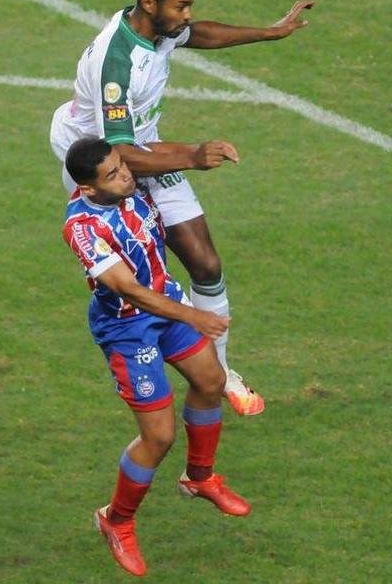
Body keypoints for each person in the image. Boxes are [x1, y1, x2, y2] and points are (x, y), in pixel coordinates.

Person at [50, 0, 313, 416]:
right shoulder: (118, 64)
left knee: (205, 262)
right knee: (135, 275)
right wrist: (191, 156)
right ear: (149, 4)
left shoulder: (159, 28)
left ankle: (220, 372)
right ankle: (142, 358)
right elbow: (120, 155)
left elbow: (200, 33)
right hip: (99, 159)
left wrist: (270, 32)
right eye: (181, 7)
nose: (187, 15)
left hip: (140, 143)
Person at [63, 137, 251, 577]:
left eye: (121, 166)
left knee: (211, 382)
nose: (125, 174)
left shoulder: (130, 183)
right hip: (129, 328)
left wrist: (198, 151)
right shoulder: (84, 228)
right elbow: (128, 290)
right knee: (159, 436)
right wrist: (194, 315)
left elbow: (149, 147)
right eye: (112, 174)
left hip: (166, 303)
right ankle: (116, 520)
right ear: (89, 189)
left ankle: (199, 478)